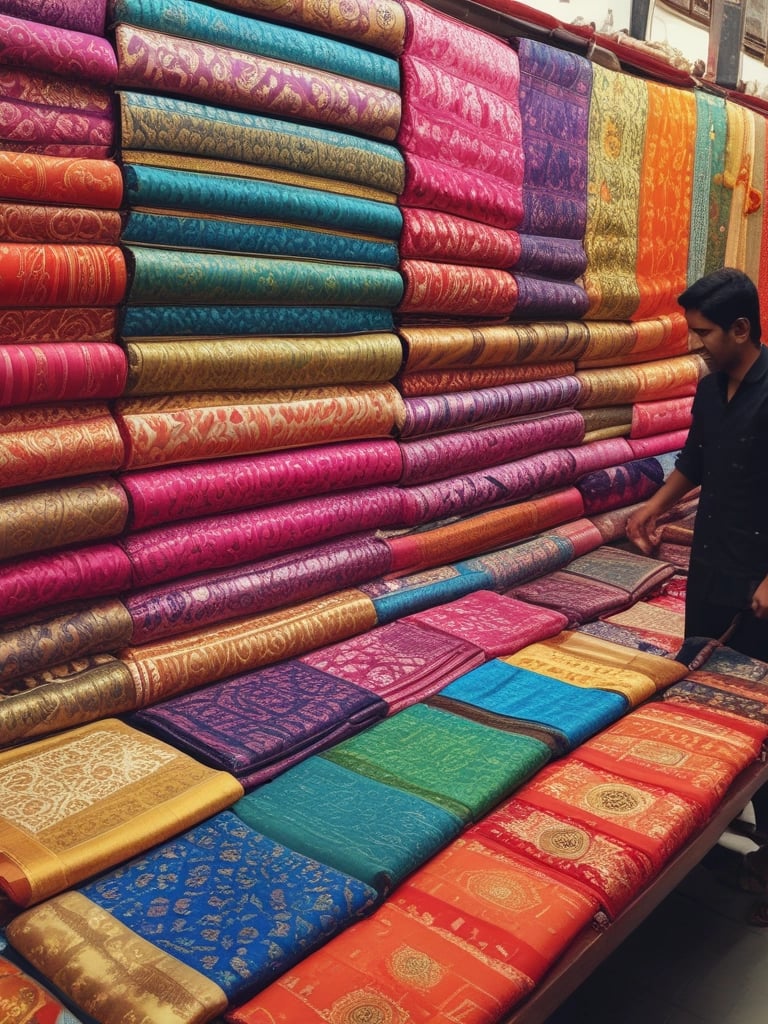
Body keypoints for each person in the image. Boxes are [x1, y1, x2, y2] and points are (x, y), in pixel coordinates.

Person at [626, 267, 768, 925]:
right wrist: (653, 508)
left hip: (761, 580)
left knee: (762, 716)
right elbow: (695, 460)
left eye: (704, 332)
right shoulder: (712, 390)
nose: (695, 343)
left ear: (741, 329)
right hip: (711, 568)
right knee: (704, 701)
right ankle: (708, 832)